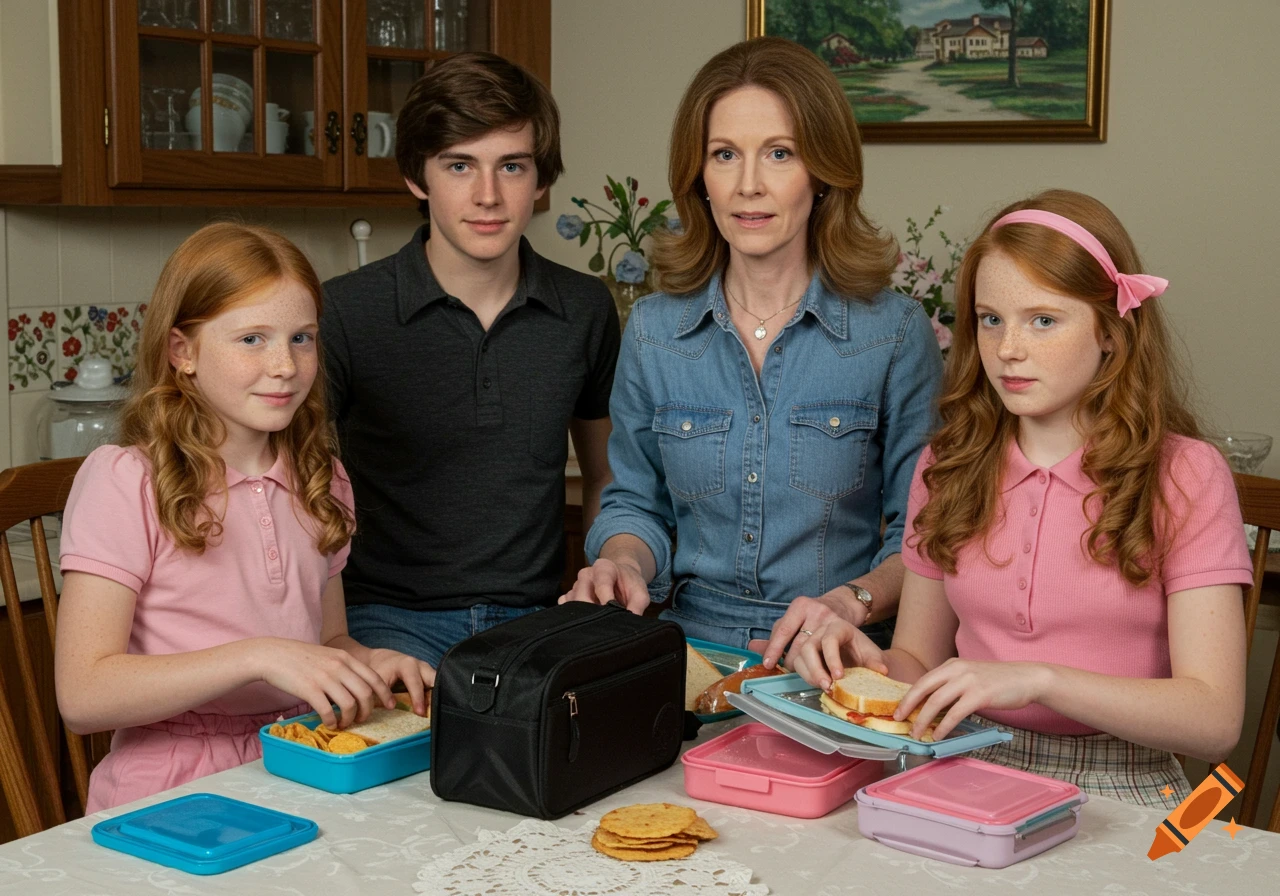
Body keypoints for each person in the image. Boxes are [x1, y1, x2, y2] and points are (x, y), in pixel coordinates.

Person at [788, 189, 1252, 806]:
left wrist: (1038, 680)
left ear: (1111, 331)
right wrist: (856, 666)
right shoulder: (949, 465)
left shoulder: (1187, 475)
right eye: (990, 318)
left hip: (1129, 785)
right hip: (962, 760)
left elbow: (1215, 722)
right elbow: (917, 663)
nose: (1008, 348)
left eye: (1043, 319)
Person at [562, 37, 941, 654]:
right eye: (725, 154)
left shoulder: (893, 333)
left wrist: (851, 601)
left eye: (780, 154)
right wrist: (624, 563)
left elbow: (925, 533)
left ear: (823, 174)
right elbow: (636, 502)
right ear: (699, 176)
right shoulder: (655, 331)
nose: (749, 185)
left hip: (838, 653)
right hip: (689, 649)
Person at [54, 223, 433, 813]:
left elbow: (326, 639)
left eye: (301, 338)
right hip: (170, 789)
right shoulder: (125, 481)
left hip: (299, 763)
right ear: (183, 352)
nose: (284, 365)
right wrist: (257, 654)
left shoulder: (321, 476)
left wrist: (366, 665)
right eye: (252, 339)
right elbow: (83, 694)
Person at [321, 53, 618, 669]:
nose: (488, 196)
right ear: (417, 177)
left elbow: (604, 476)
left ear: (540, 181)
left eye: (511, 166)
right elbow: (298, 495)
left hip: (538, 621)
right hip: (385, 624)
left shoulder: (585, 308)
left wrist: (598, 592)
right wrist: (334, 641)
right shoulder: (342, 312)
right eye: (460, 166)